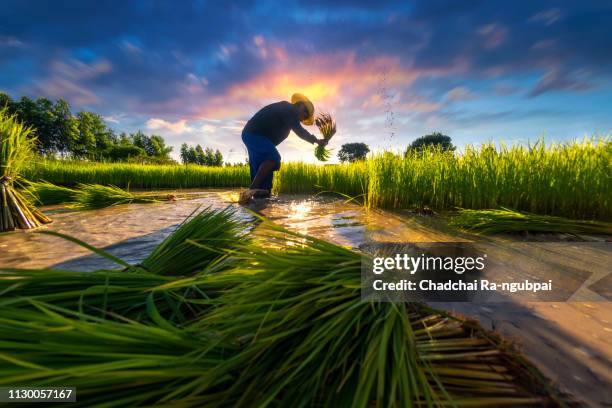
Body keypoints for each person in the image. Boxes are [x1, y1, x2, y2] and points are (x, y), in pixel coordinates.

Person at [239, 93, 327, 203]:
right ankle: (250, 191)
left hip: (258, 139)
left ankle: (255, 207)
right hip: (252, 134)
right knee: (273, 158)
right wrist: (316, 140)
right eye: (305, 114)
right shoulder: (288, 108)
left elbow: (274, 141)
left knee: (265, 184)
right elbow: (299, 131)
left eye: (306, 117)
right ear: (300, 106)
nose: (304, 118)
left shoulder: (288, 123)